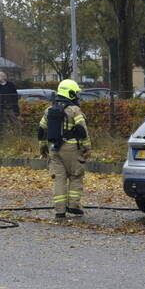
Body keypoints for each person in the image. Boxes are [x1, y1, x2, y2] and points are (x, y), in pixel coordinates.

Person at [37, 79, 90, 219]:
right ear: (70, 93)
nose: (77, 96)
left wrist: (42, 146)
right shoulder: (74, 110)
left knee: (59, 178)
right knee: (75, 176)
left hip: (54, 149)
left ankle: (59, 210)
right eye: (75, 93)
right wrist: (87, 147)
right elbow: (82, 130)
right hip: (72, 149)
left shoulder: (49, 110)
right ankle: (73, 206)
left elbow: (41, 129)